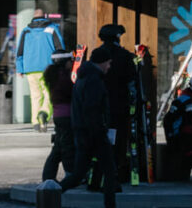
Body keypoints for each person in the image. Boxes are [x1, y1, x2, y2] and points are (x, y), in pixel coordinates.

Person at [58, 47, 119, 208]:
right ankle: (110, 205)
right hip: (94, 133)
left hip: (83, 132)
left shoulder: (84, 77)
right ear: (103, 62)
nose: (109, 67)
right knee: (109, 171)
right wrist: (99, 132)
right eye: (108, 63)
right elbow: (92, 109)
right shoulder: (94, 80)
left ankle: (51, 194)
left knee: (78, 174)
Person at [92, 24, 137, 185]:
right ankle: (114, 174)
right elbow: (132, 83)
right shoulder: (125, 56)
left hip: (99, 107)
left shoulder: (96, 54)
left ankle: (98, 175)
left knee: (102, 142)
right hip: (119, 106)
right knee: (118, 142)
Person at [16, 8, 65, 131]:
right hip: (48, 67)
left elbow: (20, 52)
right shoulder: (52, 29)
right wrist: (62, 65)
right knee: (48, 94)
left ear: (33, 17)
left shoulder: (26, 31)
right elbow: (60, 48)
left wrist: (20, 69)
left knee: (35, 95)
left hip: (30, 68)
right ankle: (44, 114)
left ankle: (36, 123)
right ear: (45, 16)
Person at [41, 50, 75, 181]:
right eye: (70, 61)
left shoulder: (53, 75)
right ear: (63, 62)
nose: (72, 63)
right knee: (66, 147)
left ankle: (49, 176)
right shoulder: (63, 77)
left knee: (58, 148)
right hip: (66, 116)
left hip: (59, 115)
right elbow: (71, 93)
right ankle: (70, 174)